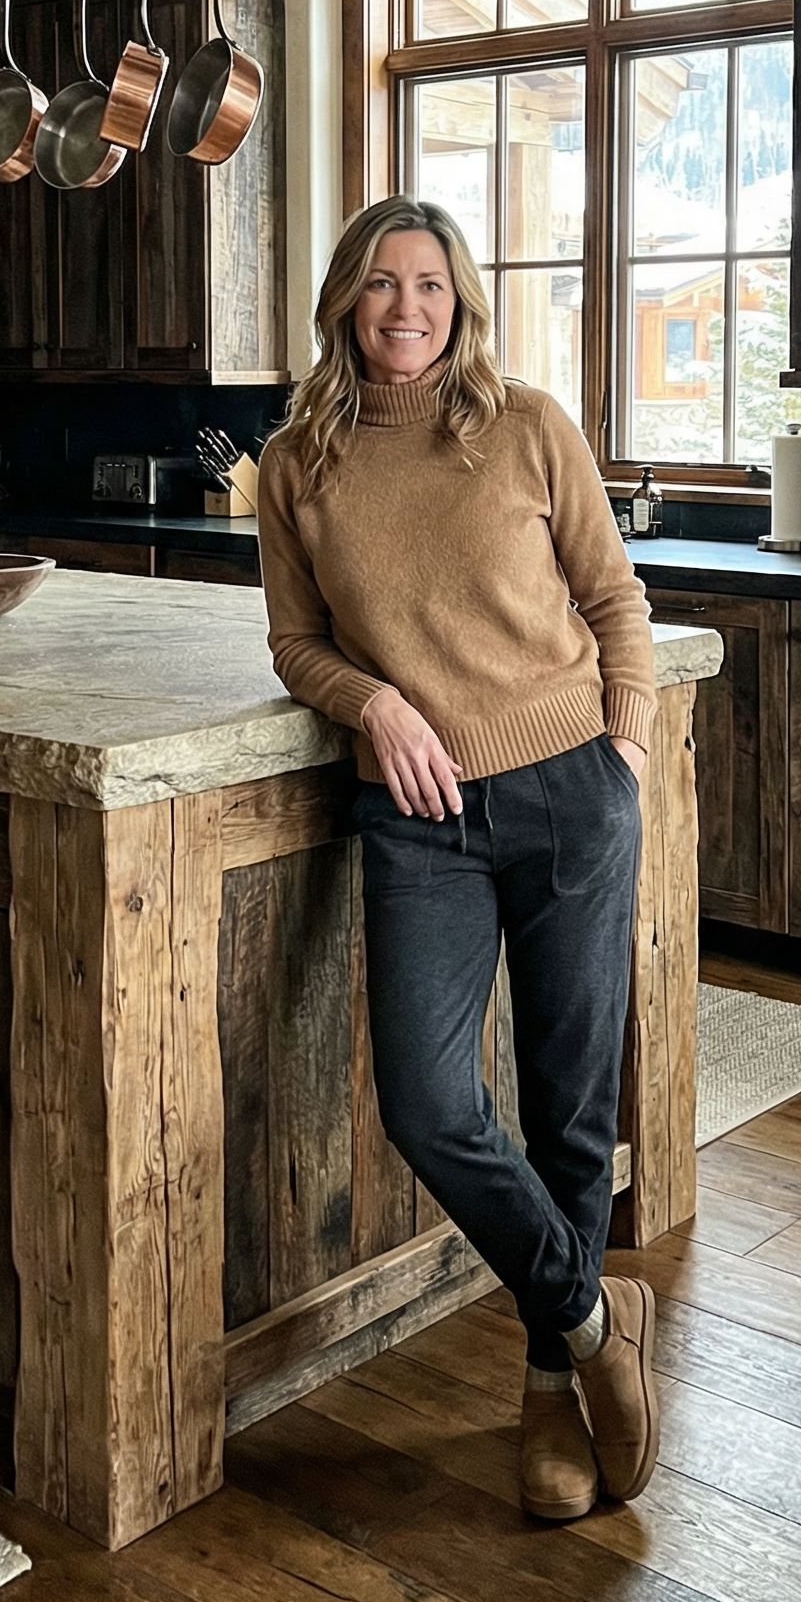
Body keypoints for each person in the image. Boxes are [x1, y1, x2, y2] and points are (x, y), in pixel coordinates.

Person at [257, 194, 663, 1522]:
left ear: (462, 299)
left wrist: (627, 758)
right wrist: (371, 703)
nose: (407, 308)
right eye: (380, 283)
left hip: (569, 797)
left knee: (569, 1112)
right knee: (430, 1106)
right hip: (415, 818)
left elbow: (615, 602)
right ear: (342, 302)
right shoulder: (297, 464)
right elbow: (297, 643)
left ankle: (553, 1385)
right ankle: (601, 1323)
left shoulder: (529, 427)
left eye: (429, 283)